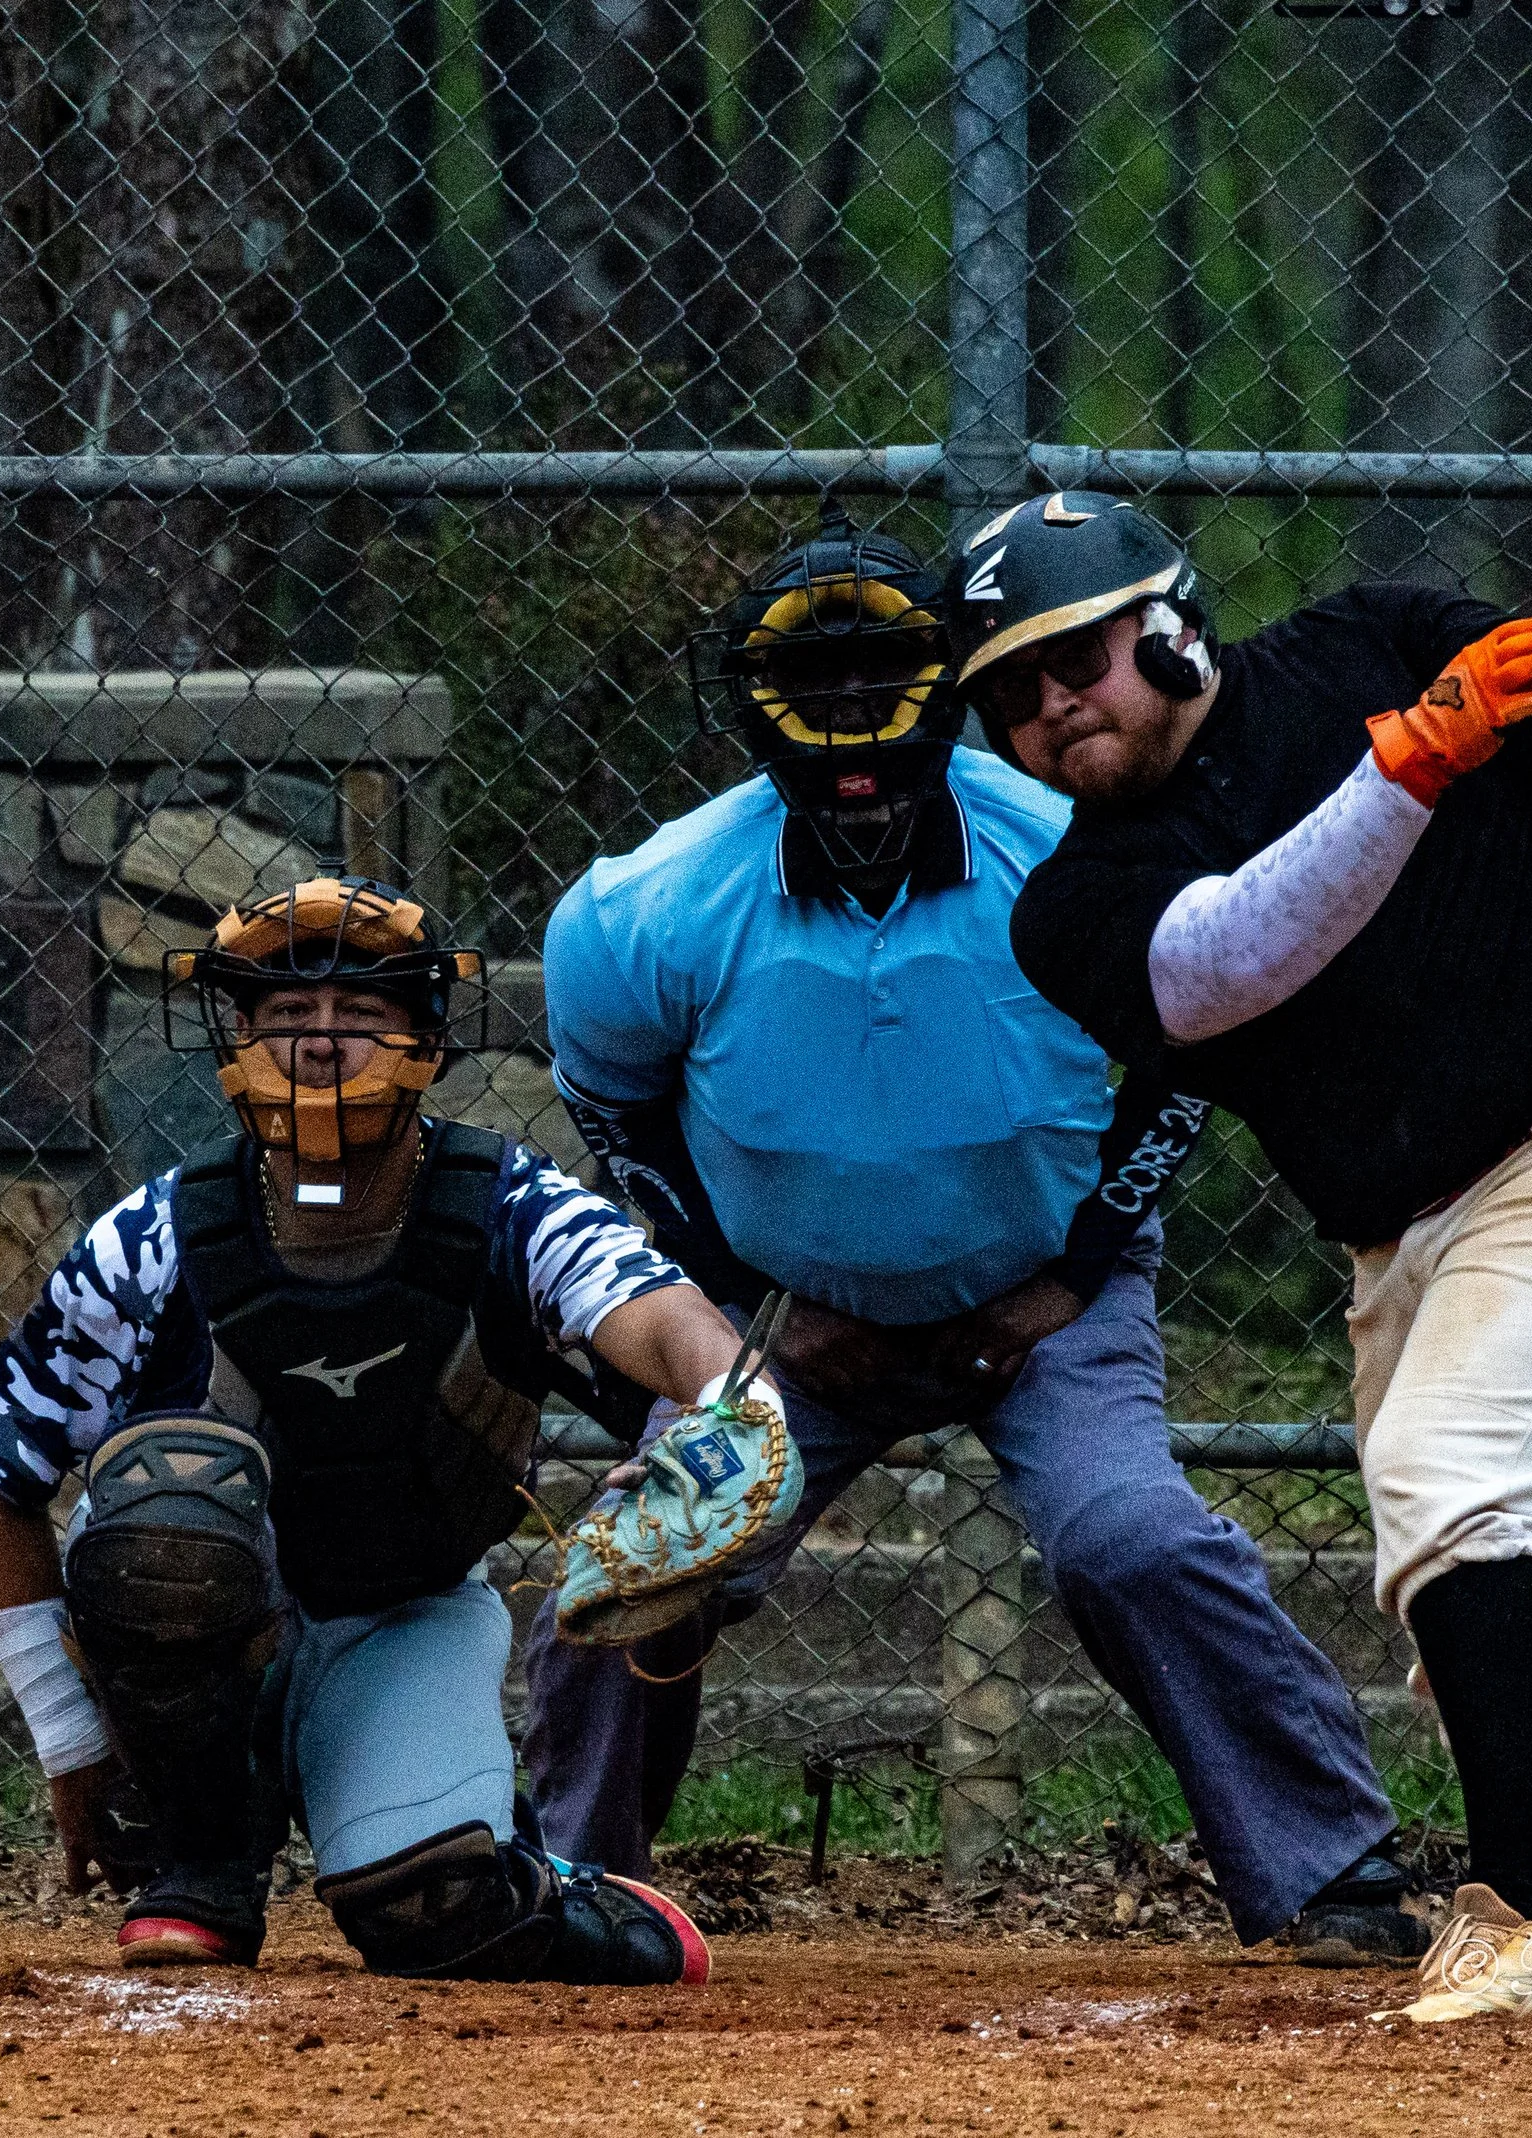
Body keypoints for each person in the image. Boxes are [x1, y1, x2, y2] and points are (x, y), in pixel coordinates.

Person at [975, 492, 1532, 2022]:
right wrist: (1408, 770)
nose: (1055, 700)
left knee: (1455, 1479)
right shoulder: (1075, 904)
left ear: (1173, 622)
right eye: (1012, 687)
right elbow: (1220, 966)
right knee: (1502, 1657)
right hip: (1421, 1240)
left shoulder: (1363, 647)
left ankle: (1529, 1923)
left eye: (1083, 652)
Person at [521, 511, 1424, 1962]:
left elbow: (1195, 1053)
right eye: (816, 699)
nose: (856, 755)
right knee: (647, 1552)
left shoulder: (1072, 856)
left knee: (1129, 1536)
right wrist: (750, 1301)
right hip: (790, 1329)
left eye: (886, 684)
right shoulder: (652, 906)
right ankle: (580, 1888)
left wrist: (1075, 1271)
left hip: (1046, 1299)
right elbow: (610, 1102)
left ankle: (1333, 1874)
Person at [0, 875, 765, 1981]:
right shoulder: (154, 1233)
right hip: (202, 1635)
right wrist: (69, 1734)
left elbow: (669, 1328)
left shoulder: (508, 1205)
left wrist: (728, 1413)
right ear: (237, 1036)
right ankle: (198, 1854)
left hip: (401, 1610)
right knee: (165, 1511)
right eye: (287, 1015)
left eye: (362, 1013)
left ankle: (547, 1881)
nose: (322, 1043)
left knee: (435, 1909)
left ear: (427, 1035)